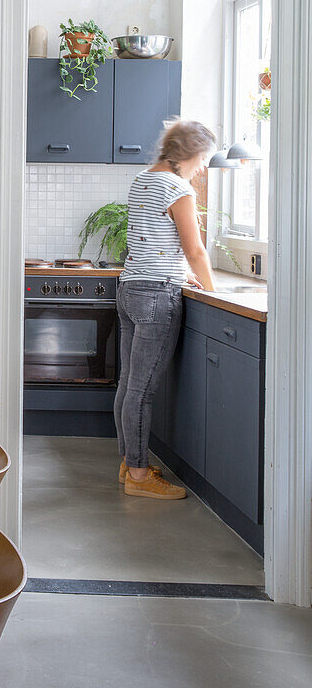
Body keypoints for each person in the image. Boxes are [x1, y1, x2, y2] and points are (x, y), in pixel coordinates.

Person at [114, 119, 216, 500]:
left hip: (129, 288)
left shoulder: (142, 179)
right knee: (141, 391)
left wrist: (179, 273)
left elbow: (155, 240)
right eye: (204, 158)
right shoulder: (178, 188)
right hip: (157, 295)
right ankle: (139, 477)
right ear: (189, 153)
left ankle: (129, 462)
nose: (203, 167)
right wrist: (213, 290)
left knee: (128, 385)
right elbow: (195, 250)